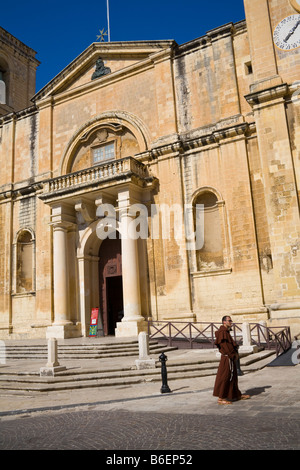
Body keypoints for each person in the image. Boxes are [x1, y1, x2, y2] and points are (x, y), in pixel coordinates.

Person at [213, 316, 250, 405]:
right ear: (224, 322)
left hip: (230, 357)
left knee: (233, 376)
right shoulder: (222, 332)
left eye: (231, 320)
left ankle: (236, 394)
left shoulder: (226, 332)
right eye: (229, 321)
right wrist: (232, 355)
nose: (231, 322)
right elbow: (225, 346)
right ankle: (221, 398)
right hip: (227, 358)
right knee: (225, 377)